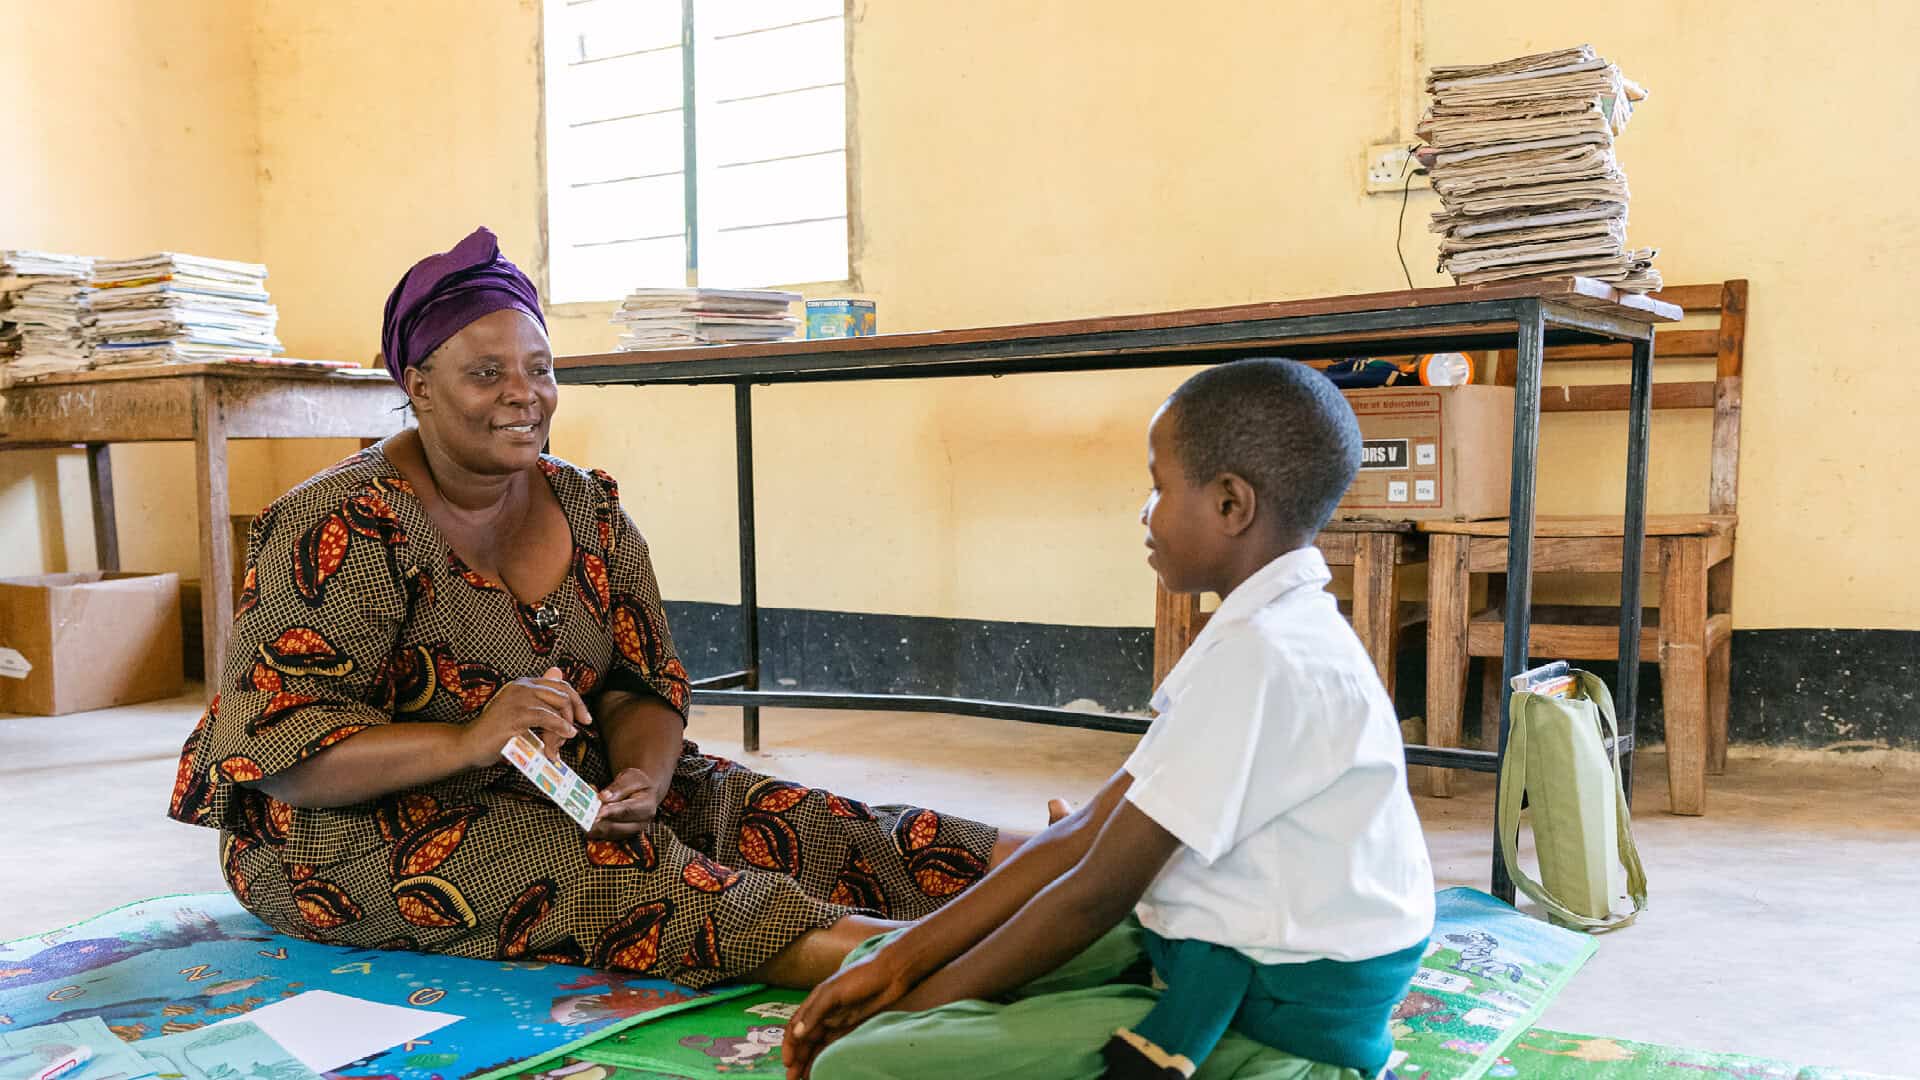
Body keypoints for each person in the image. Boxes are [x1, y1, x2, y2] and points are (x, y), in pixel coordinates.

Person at [166, 226, 1024, 989]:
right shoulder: (342, 523)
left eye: (539, 369)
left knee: (785, 817)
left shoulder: (587, 508)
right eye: (486, 373)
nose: (524, 394)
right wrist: (469, 740)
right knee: (623, 879)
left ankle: (1065, 870)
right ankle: (926, 967)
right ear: (418, 385)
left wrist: (643, 778)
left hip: (566, 784)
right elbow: (281, 757)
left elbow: (637, 684)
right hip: (339, 833)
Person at [785, 359, 1435, 1079]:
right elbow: (1088, 829)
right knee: (893, 956)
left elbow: (1097, 890)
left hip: (1280, 1011)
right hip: (1213, 941)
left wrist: (909, 1010)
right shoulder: (1268, 630)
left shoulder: (1268, 656)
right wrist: (901, 964)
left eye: (1159, 486)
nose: (1145, 511)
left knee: (860, 1066)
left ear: (1230, 505)